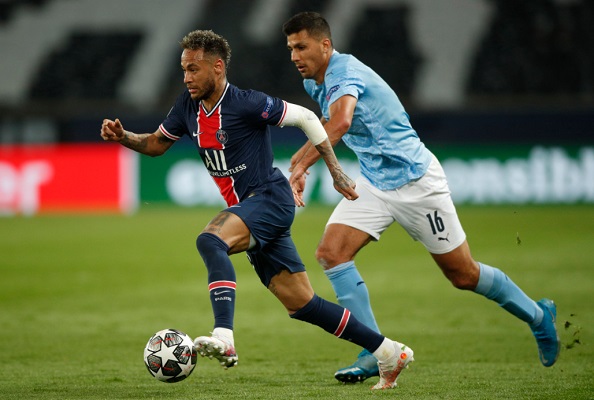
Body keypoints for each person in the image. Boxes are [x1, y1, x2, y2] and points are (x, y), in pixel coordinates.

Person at [101, 29, 414, 390]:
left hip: (268, 198)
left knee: (210, 241)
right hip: (250, 208)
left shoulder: (247, 103)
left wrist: (335, 170)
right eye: (184, 69)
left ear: (217, 67)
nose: (186, 77)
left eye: (194, 69)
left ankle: (224, 335)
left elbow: (308, 119)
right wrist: (124, 136)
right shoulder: (187, 107)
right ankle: (388, 352)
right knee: (303, 305)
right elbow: (156, 144)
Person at [282, 11, 560, 384]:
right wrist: (311, 166)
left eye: (301, 47)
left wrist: (301, 166)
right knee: (331, 253)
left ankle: (538, 316)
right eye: (290, 48)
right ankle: (373, 350)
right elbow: (333, 129)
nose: (294, 55)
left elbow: (341, 122)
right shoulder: (316, 82)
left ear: (325, 45)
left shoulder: (343, 73)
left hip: (417, 184)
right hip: (376, 184)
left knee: (463, 275)